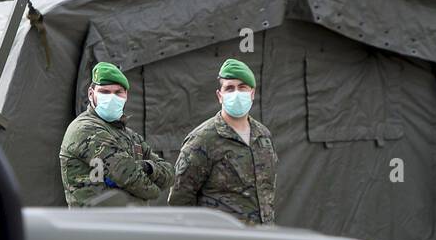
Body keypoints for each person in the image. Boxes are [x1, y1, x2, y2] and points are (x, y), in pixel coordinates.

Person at [170, 58, 278, 225]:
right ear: (220, 96)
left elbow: (267, 193)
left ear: (252, 93)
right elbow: (179, 200)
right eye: (229, 88)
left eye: (242, 87)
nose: (236, 93)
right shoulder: (202, 139)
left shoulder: (263, 136)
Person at [60, 61, 173, 207]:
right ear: (91, 94)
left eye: (118, 92)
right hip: (94, 224)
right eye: (105, 92)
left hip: (128, 223)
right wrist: (155, 189)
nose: (112, 98)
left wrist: (147, 167)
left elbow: (169, 174)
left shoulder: (130, 135)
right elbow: (132, 179)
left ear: (126, 95)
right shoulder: (85, 129)